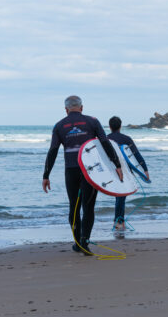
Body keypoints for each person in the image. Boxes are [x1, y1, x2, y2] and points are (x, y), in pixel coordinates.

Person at [42, 96, 123, 255]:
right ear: (82, 107)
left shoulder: (59, 125)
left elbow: (52, 151)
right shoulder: (92, 121)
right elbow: (105, 143)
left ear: (66, 110)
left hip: (71, 170)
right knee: (88, 206)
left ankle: (78, 242)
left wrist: (46, 175)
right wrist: (117, 165)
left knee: (74, 206)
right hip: (90, 170)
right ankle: (85, 241)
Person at [107, 116, 149, 230]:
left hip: (112, 171)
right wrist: (145, 170)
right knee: (121, 197)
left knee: (119, 196)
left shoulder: (105, 139)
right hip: (125, 171)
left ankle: (119, 220)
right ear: (120, 126)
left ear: (110, 126)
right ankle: (119, 221)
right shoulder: (126, 139)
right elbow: (136, 155)